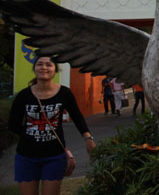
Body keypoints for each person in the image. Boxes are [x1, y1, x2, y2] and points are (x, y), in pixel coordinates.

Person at [8, 56, 95, 195]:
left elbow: (78, 117)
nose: (44, 67)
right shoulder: (24, 96)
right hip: (26, 157)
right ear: (34, 69)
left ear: (55, 70)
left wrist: (88, 137)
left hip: (54, 157)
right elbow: (12, 124)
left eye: (49, 65)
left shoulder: (64, 93)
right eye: (39, 64)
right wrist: (31, 135)